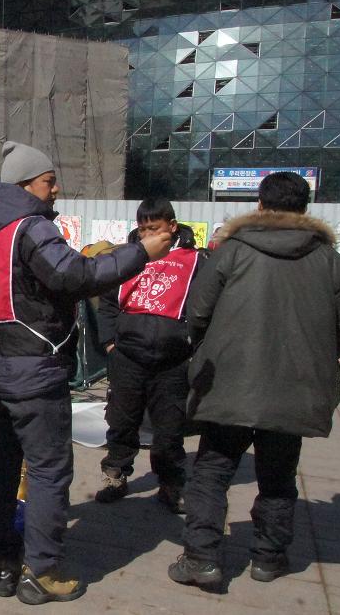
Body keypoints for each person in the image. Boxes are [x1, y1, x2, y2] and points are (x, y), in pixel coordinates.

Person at [0, 142, 172, 605]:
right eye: (49, 181)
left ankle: (3, 563)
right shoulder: (30, 228)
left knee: (1, 467)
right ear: (24, 185)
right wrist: (140, 253)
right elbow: (74, 276)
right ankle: (42, 571)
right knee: (49, 470)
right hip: (33, 370)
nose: (55, 189)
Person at [168, 172, 340, 590]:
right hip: (295, 387)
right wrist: (312, 358)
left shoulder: (231, 251)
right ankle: (268, 558)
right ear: (305, 208)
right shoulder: (329, 260)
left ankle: (201, 557)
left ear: (259, 204)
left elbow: (197, 313)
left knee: (212, 470)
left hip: (229, 382)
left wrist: (209, 349)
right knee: (278, 476)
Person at [95, 198, 206, 512]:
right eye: (143, 229)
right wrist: (110, 344)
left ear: (172, 226)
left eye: (154, 229)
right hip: (127, 356)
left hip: (173, 360)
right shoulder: (126, 257)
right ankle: (115, 474)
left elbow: (206, 307)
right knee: (121, 422)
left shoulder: (195, 261)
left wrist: (193, 347)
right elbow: (107, 303)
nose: (148, 235)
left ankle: (171, 483)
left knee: (170, 429)